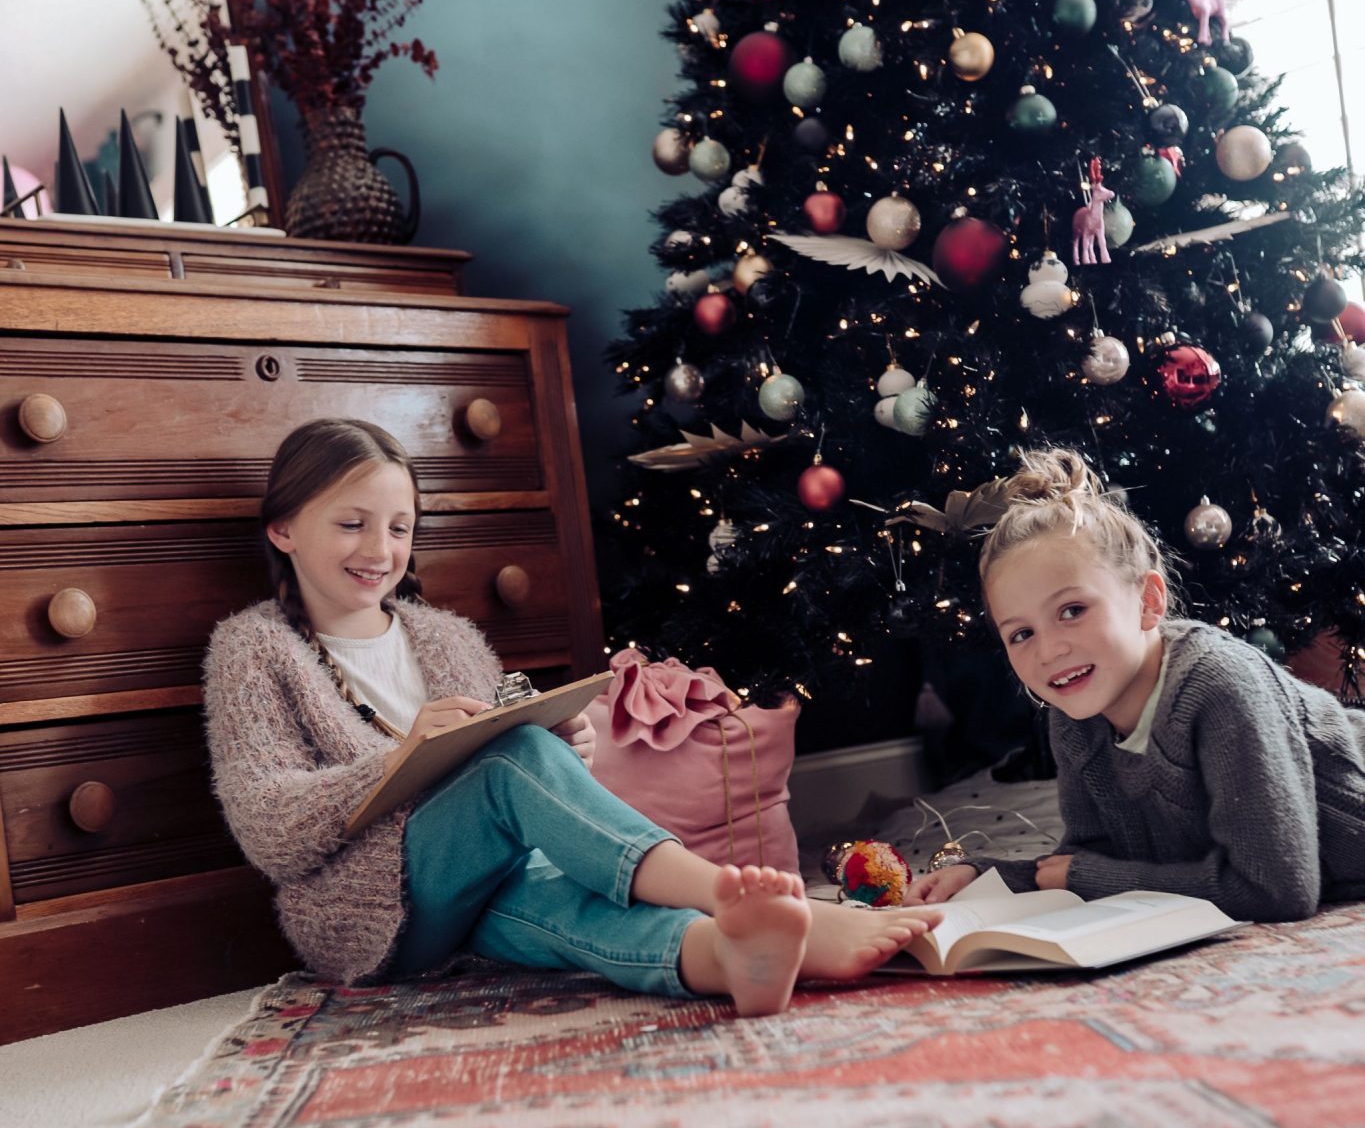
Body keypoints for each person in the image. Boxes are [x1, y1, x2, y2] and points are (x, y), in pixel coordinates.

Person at [203, 418, 940, 1015]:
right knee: (509, 760)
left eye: (399, 528)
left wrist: (569, 748)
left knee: (567, 905)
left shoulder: (445, 637)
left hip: (487, 889)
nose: (380, 550)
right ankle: (719, 888)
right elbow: (266, 827)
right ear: (284, 530)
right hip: (363, 914)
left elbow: (518, 785)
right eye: (352, 524)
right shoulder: (254, 649)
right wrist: (398, 761)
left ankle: (733, 955)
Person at [906, 447, 1365, 923]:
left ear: (1148, 600)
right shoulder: (1074, 716)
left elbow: (1276, 890)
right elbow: (1091, 860)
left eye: (1072, 611)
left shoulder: (1220, 685)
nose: (1048, 652)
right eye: (1021, 634)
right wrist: (986, 875)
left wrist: (1084, 877)